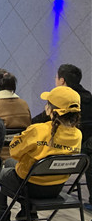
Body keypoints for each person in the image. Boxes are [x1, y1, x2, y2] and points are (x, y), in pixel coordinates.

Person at [0, 86, 82, 221]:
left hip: (30, 186)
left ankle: (2, 219)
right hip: (56, 187)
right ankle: (27, 211)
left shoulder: (39, 130)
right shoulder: (78, 134)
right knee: (10, 163)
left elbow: (14, 151)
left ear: (52, 110)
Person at [31, 64, 92, 210]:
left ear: (62, 80)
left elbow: (35, 122)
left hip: (61, 153)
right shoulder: (89, 98)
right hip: (82, 154)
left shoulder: (61, 100)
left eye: (56, 77)